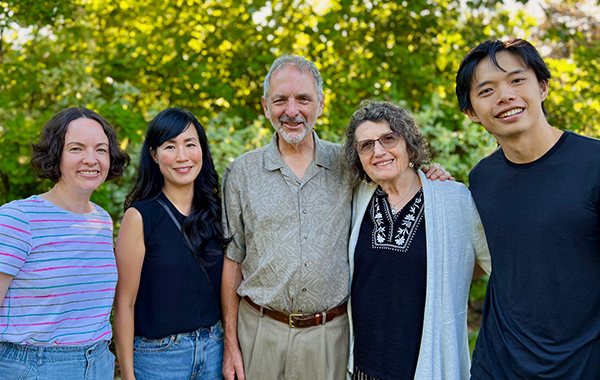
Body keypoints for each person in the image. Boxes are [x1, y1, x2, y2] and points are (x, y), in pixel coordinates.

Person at [221, 55, 451, 380]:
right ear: (265, 105)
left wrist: (429, 174)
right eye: (280, 100)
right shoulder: (241, 172)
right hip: (259, 333)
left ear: (321, 103)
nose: (292, 111)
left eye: (303, 99)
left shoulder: (350, 165)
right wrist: (231, 343)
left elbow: (393, 173)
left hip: (330, 335)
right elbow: (233, 259)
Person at [456, 38, 600, 380]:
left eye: (517, 80)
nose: (505, 95)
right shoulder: (481, 179)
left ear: (543, 87)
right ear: (472, 113)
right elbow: (481, 257)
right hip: (498, 363)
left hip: (581, 365)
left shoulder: (594, 164)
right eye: (487, 90)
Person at [343, 101, 491, 380]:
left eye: (389, 138)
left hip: (425, 367)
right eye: (366, 145)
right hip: (364, 365)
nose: (378, 151)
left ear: (409, 144)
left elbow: (487, 261)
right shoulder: (358, 198)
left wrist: (448, 276)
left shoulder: (452, 199)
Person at [0, 107, 129, 379]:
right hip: (32, 367)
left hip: (99, 363)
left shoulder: (102, 221)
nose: (91, 159)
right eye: (76, 148)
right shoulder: (18, 218)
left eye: (101, 150)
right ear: (55, 154)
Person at [113, 107, 228, 380]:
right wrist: (128, 376)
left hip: (214, 351)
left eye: (190, 144)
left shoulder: (217, 212)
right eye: (170, 146)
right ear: (154, 155)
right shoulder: (140, 217)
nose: (182, 156)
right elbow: (123, 305)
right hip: (158, 360)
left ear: (202, 149)